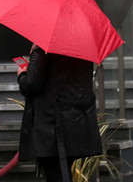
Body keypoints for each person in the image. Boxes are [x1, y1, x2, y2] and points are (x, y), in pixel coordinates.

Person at [17, 43, 102, 182]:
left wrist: (22, 75)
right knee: (62, 172)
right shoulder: (82, 46)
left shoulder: (44, 47)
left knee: (56, 174)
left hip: (52, 126)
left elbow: (32, 85)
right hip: (76, 121)